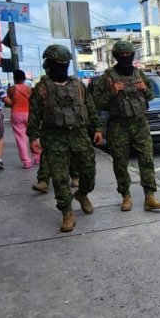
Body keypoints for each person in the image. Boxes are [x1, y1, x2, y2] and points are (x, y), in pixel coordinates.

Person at [26, 45, 103, 233]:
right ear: (49, 64)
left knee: (88, 173)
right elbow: (34, 114)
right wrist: (33, 137)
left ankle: (82, 194)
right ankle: (67, 213)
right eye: (58, 63)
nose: (62, 67)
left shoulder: (77, 85)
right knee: (60, 178)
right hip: (54, 138)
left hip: (79, 135)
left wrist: (97, 128)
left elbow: (90, 107)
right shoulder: (42, 88)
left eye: (65, 63)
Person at [91, 40, 160, 212]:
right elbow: (95, 103)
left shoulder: (139, 74)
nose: (125, 57)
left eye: (128, 54)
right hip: (118, 125)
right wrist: (112, 92)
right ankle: (125, 196)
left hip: (140, 123)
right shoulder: (107, 77)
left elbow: (151, 96)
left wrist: (144, 88)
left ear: (132, 55)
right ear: (116, 56)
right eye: (121, 55)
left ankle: (150, 197)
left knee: (146, 160)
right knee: (120, 162)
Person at [8, 70, 39, 170]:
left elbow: (8, 102)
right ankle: (37, 157)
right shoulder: (30, 89)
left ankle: (26, 162)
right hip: (30, 114)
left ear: (14, 78)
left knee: (20, 139)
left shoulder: (12, 89)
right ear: (25, 78)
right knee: (33, 136)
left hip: (16, 114)